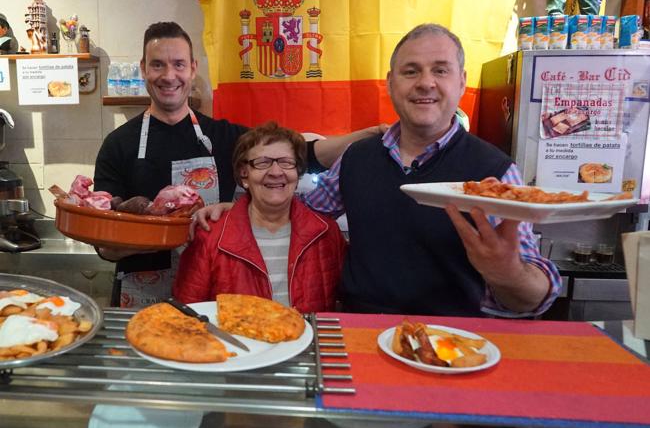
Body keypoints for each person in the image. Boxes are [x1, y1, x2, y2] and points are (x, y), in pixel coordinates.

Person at [198, 23, 561, 317]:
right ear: (391, 83)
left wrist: (508, 275)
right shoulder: (357, 159)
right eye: (411, 71)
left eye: (440, 70)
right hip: (360, 337)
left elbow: (533, 297)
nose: (425, 82)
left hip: (456, 346)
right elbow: (302, 215)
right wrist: (245, 211)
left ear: (461, 81)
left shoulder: (494, 173)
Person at [93, 21, 380, 308]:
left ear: (192, 68)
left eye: (178, 64)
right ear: (143, 69)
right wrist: (162, 233)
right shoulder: (118, 145)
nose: (169, 75)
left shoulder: (225, 136)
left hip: (212, 296)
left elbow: (306, 154)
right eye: (158, 65)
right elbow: (104, 243)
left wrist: (371, 135)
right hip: (142, 294)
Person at [173, 122, 346, 312]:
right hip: (236, 342)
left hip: (309, 341)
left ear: (298, 172)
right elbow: (186, 314)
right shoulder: (209, 236)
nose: (275, 172)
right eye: (262, 163)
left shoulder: (327, 234)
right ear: (244, 174)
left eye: (286, 162)